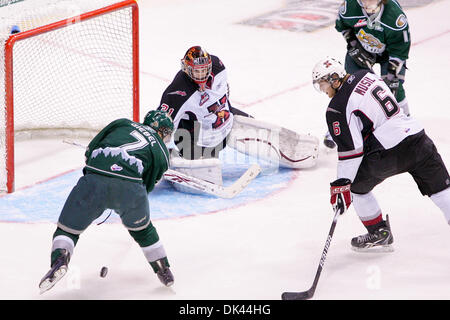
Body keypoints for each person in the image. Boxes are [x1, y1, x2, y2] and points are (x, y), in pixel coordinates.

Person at [311, 57, 450, 252]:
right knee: (442, 192)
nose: (324, 90)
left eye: (323, 84)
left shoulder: (337, 107)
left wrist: (342, 185)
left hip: (390, 150)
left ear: (335, 79)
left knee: (357, 187)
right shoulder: (365, 74)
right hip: (417, 137)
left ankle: (378, 233)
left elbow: (352, 151)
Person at [39, 110, 175, 294]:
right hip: (130, 188)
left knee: (67, 229)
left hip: (94, 179)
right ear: (163, 132)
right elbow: (147, 187)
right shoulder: (162, 153)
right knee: (143, 231)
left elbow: (90, 151)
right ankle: (163, 269)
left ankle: (60, 259)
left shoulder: (122, 123)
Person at [155, 46, 319, 195]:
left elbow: (223, 95)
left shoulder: (218, 66)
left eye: (204, 70)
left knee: (261, 131)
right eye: (196, 71)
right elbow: (161, 126)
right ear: (186, 69)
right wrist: (155, 154)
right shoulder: (177, 93)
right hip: (199, 138)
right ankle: (173, 157)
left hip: (228, 121)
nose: (201, 75)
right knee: (209, 176)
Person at [324, 0, 411, 149]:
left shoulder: (395, 17)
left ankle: (407, 123)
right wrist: (352, 44)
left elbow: (400, 47)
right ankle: (338, 126)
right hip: (361, 47)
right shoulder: (350, 7)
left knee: (393, 87)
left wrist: (391, 73)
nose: (367, 3)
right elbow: (342, 25)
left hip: (389, 54)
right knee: (348, 86)